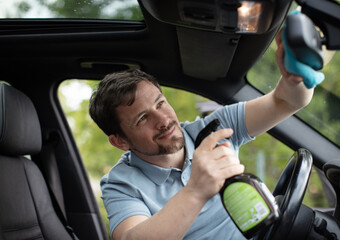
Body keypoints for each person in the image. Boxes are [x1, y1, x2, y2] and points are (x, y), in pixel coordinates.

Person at [89, 31, 315, 240]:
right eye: (142, 118)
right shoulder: (121, 184)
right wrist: (196, 190)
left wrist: (296, 77)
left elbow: (287, 101)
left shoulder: (215, 127)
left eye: (160, 103)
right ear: (120, 141)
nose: (163, 120)